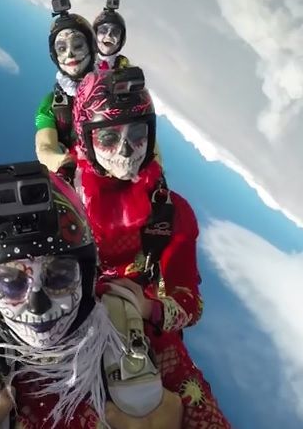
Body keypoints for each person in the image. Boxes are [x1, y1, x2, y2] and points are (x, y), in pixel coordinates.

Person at [0, 162, 186, 429]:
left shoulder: (142, 342)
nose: (37, 305)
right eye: (10, 282)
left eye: (60, 275)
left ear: (87, 276)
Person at [72, 66, 232, 427]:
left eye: (137, 133)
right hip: (67, 320)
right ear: (86, 137)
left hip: (146, 333)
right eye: (109, 137)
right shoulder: (62, 200)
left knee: (197, 410)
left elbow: (189, 302)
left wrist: (150, 309)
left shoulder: (170, 213)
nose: (126, 149)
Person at [34, 0, 96, 180]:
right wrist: (62, 164)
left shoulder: (115, 86)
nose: (70, 53)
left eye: (77, 44)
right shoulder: (51, 103)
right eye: (61, 48)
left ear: (92, 47)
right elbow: (45, 147)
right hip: (76, 180)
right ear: (55, 56)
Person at [92, 0, 130, 72]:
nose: (109, 35)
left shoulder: (125, 67)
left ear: (121, 39)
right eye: (103, 30)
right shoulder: (84, 63)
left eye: (115, 31)